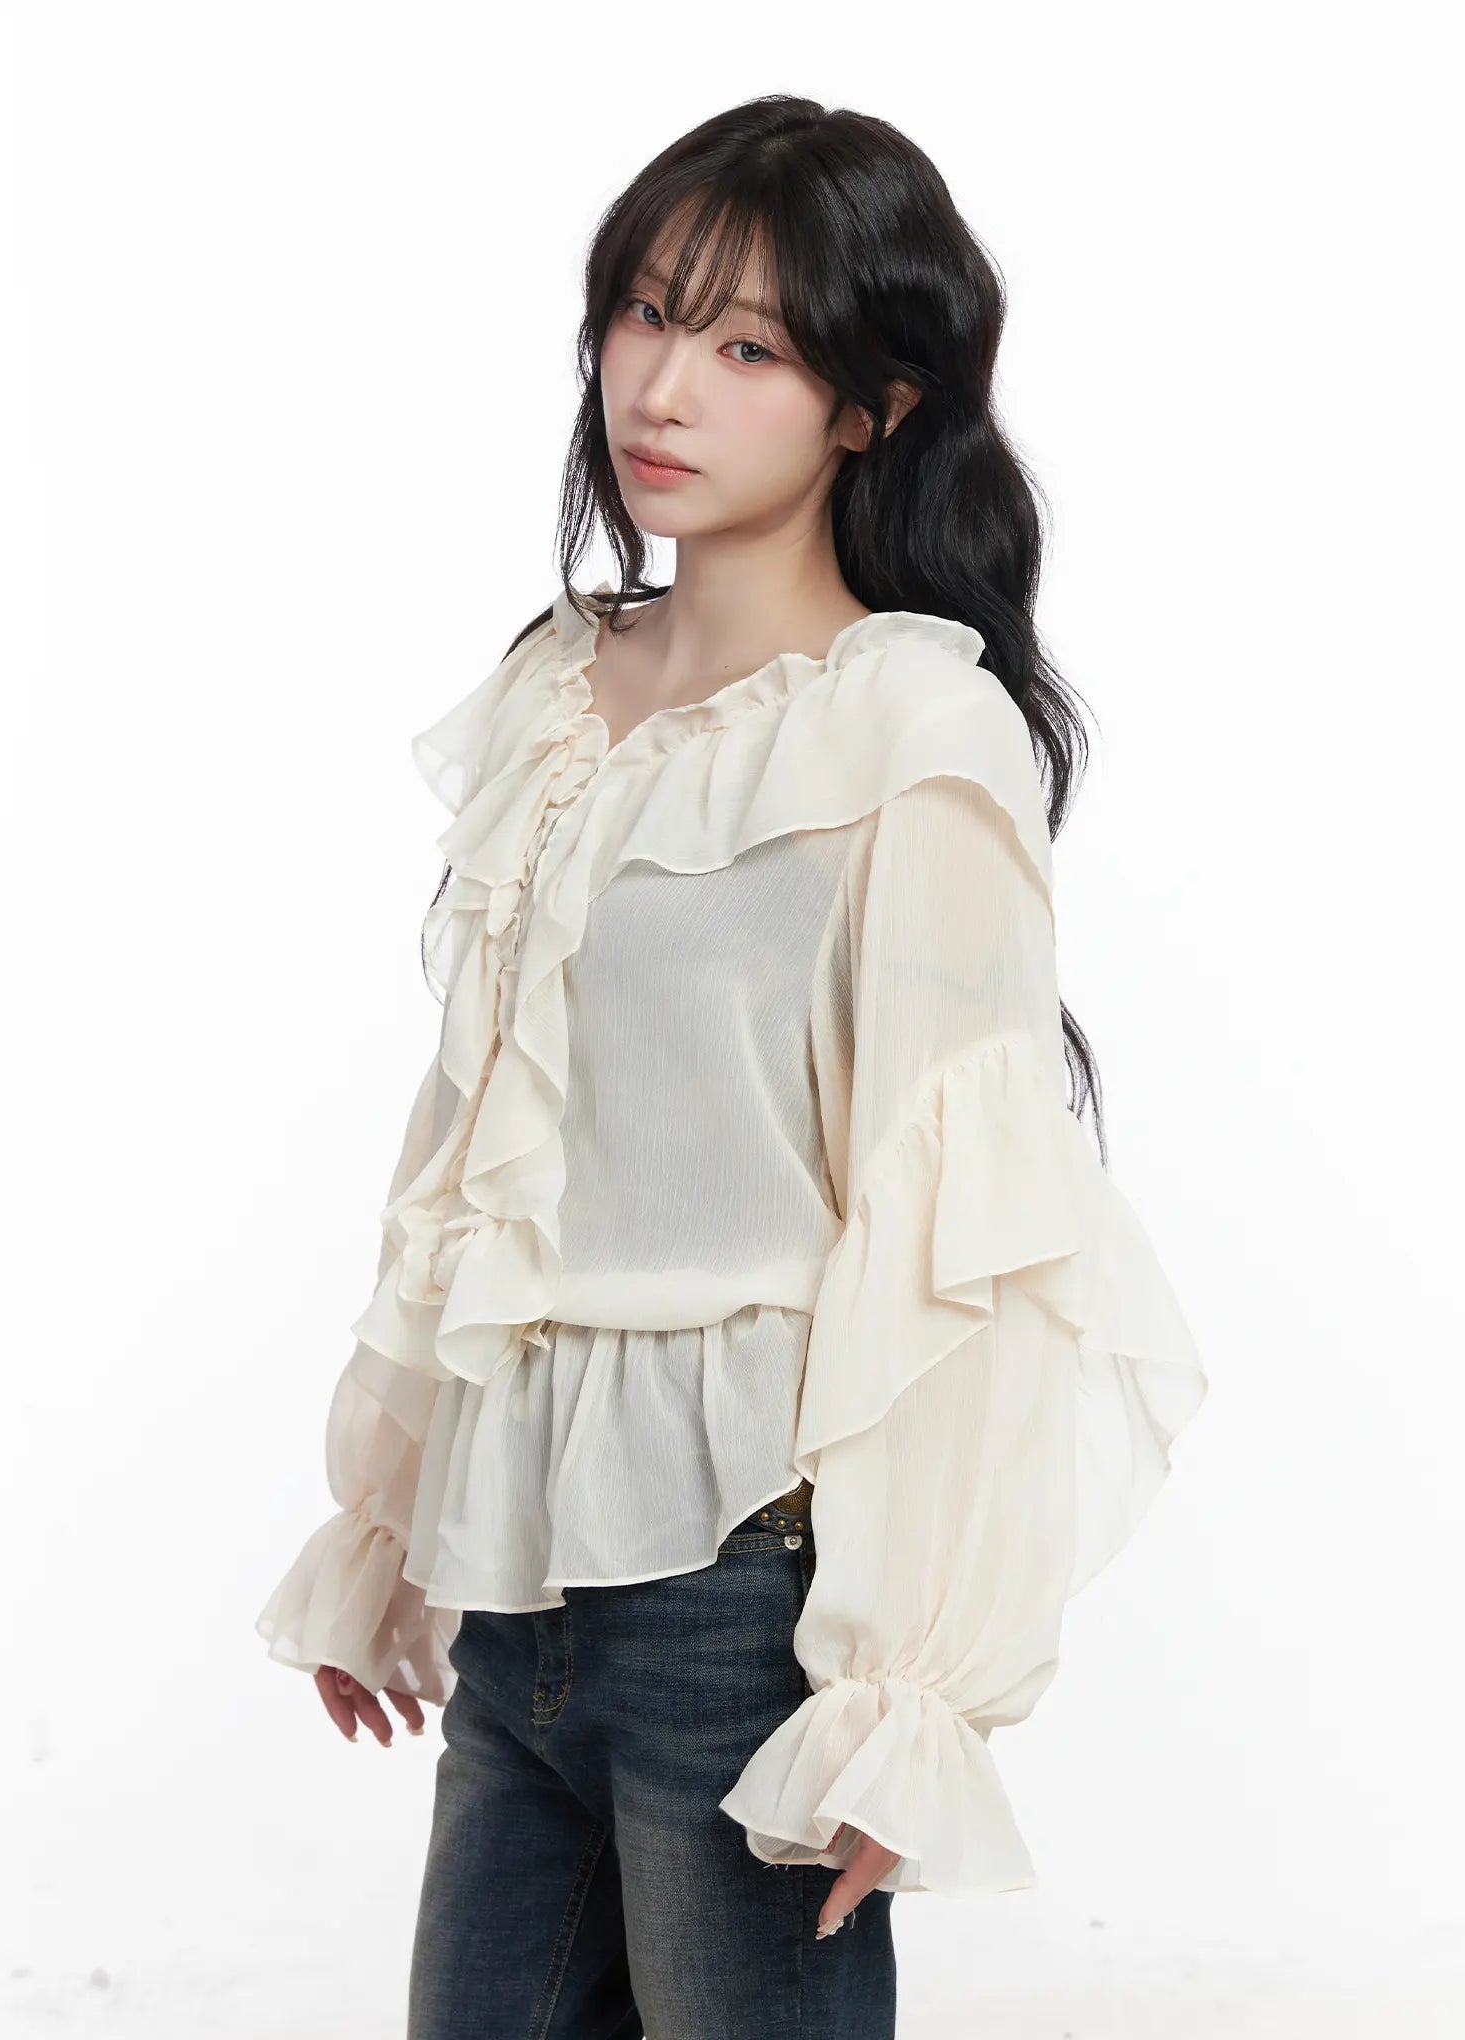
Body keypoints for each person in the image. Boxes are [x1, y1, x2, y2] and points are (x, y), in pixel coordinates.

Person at [255, 92, 1207, 2039]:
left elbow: (954, 1239)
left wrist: (906, 1693)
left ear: (875, 404)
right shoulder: (556, 691)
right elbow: (477, 1147)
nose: (663, 386)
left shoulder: (909, 733)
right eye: (643, 313)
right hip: (513, 1581)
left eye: (749, 346)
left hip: (743, 1608)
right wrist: (394, 1516)